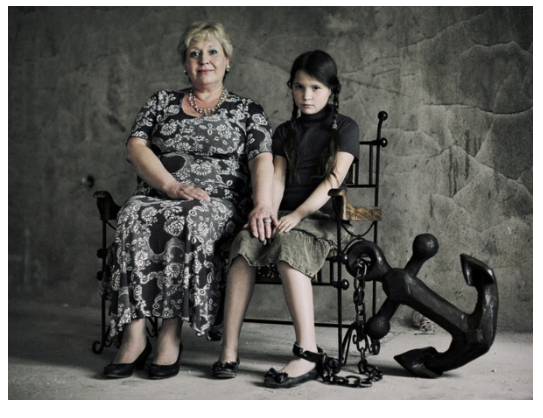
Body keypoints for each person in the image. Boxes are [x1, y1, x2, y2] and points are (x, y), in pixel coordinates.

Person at [101, 22, 276, 380]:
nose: (203, 60)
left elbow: (262, 159)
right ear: (185, 63)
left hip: (216, 202)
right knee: (133, 214)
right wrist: (171, 186)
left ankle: (169, 336)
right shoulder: (161, 102)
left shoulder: (248, 110)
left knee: (191, 217)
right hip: (159, 192)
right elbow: (136, 148)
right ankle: (134, 336)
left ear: (227, 60)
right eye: (194, 54)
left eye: (212, 52)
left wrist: (262, 203)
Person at [212, 50, 359, 388]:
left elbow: (333, 180)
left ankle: (307, 351)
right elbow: (276, 179)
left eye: (316, 88)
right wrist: (267, 214)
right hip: (285, 215)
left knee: (289, 246)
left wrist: (297, 214)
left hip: (322, 218)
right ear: (291, 87)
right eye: (299, 87)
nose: (307, 96)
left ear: (332, 89)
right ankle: (229, 349)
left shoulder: (346, 127)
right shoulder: (283, 131)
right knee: (244, 244)